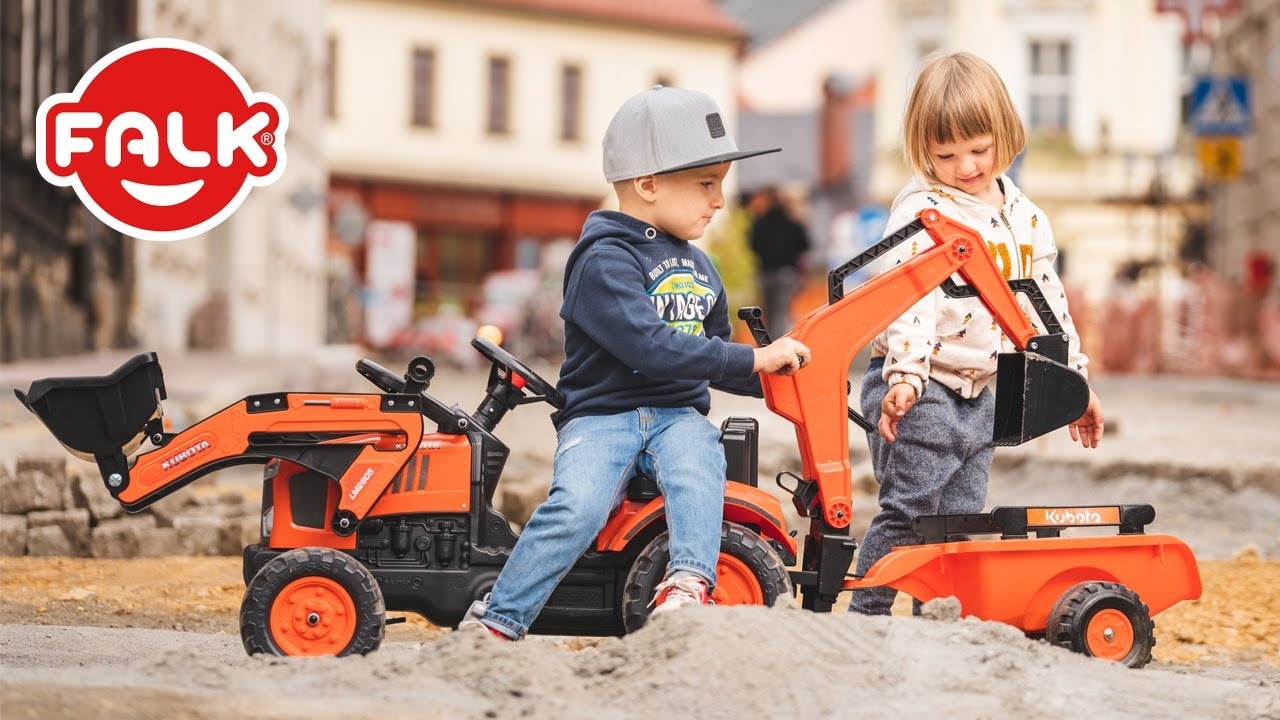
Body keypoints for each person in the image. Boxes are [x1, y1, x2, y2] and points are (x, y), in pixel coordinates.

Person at [462, 85, 813, 639]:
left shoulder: (702, 268)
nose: (719, 200)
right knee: (576, 507)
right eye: (705, 185)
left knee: (700, 472)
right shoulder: (604, 260)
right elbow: (650, 346)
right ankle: (500, 619)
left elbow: (715, 357)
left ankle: (688, 582)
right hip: (602, 418)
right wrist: (755, 357)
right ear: (648, 184)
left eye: (719, 185)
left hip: (677, 415)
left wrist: (778, 374)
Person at [847, 52, 1105, 616]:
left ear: (1005, 136)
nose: (965, 166)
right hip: (923, 385)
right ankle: (865, 617)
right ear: (923, 151)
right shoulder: (924, 212)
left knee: (962, 514)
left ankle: (936, 617)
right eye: (946, 155)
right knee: (911, 510)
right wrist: (907, 377)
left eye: (979, 150)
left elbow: (1047, 304)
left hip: (980, 391)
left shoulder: (1026, 217)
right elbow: (907, 298)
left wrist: (1076, 384)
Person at [748, 186, 811, 338]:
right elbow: (805, 245)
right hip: (786, 272)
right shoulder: (792, 223)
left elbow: (753, 245)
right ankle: (778, 345)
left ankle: (769, 344)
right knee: (781, 312)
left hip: (765, 272)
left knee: (768, 312)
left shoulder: (759, 223)